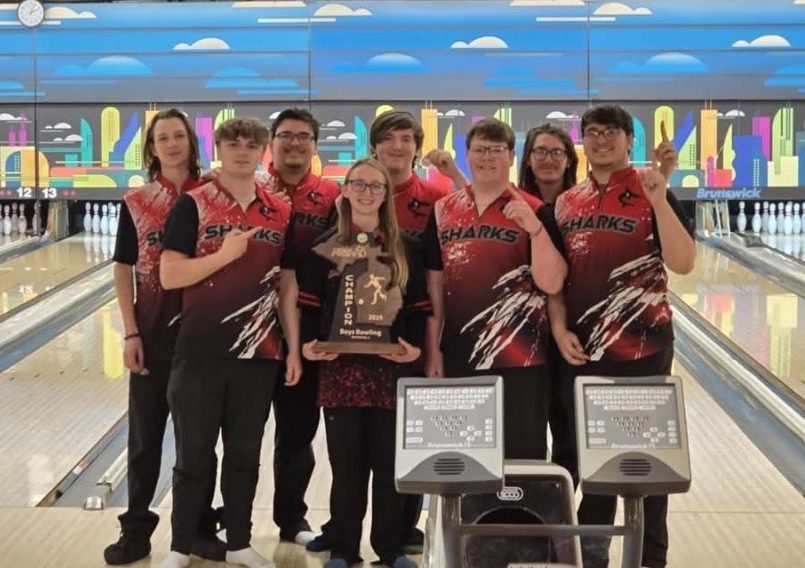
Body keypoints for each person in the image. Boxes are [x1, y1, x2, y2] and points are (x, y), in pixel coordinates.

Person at [548, 104, 695, 568]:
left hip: (644, 345)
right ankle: (593, 557)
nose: (601, 140)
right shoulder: (567, 201)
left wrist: (658, 197)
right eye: (592, 132)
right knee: (594, 465)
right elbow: (557, 276)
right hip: (585, 348)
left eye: (611, 132)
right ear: (584, 142)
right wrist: (558, 327)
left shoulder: (652, 187)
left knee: (647, 465)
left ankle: (651, 559)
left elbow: (684, 261)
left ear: (629, 140)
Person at [158, 117, 298, 568]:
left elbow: (288, 285)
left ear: (264, 152)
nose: (243, 150)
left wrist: (293, 347)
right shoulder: (192, 205)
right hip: (200, 352)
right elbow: (169, 274)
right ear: (218, 148)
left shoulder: (280, 207)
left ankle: (238, 542)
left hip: (259, 353)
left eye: (252, 144)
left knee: (245, 455)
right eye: (233, 143)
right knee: (193, 455)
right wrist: (223, 256)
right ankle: (181, 546)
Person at [105, 108, 224, 565]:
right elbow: (123, 267)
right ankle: (135, 530)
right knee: (144, 440)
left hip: (204, 338)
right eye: (163, 138)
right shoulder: (137, 202)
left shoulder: (215, 194)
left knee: (199, 441)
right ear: (152, 147)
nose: (172, 144)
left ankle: (196, 526)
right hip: (152, 335)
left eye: (179, 136)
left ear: (192, 144)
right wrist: (129, 330)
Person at [298, 158, 429, 568]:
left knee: (388, 467)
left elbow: (421, 306)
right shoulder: (325, 246)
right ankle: (344, 547)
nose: (368, 192)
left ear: (386, 195)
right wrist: (308, 344)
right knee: (347, 468)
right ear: (347, 190)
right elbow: (308, 305)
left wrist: (416, 348)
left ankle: (388, 549)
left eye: (376, 186)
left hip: (391, 371)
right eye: (360, 184)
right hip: (341, 373)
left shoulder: (406, 246)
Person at [422, 117, 567, 462]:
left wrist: (535, 231)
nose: (487, 157)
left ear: (512, 156)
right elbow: (434, 286)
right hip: (460, 353)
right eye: (479, 150)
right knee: (465, 458)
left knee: (521, 461)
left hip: (522, 356)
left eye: (496, 150)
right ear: (467, 155)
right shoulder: (443, 211)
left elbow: (553, 282)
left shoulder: (534, 210)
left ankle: (519, 518)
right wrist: (434, 349)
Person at [261, 108, 340, 547]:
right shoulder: (248, 189)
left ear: (314, 145)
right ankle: (224, 518)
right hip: (248, 328)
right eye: (286, 136)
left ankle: (291, 520)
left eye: (303, 137)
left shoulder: (331, 196)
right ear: (272, 141)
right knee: (238, 435)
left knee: (296, 432)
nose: (295, 144)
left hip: (307, 330)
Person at [517, 123, 580, 483]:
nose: (548, 159)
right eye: (539, 151)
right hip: (525, 332)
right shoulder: (512, 204)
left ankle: (566, 511)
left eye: (557, 151)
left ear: (569, 159)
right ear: (527, 159)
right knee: (528, 425)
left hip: (572, 329)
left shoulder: (582, 205)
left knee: (567, 424)